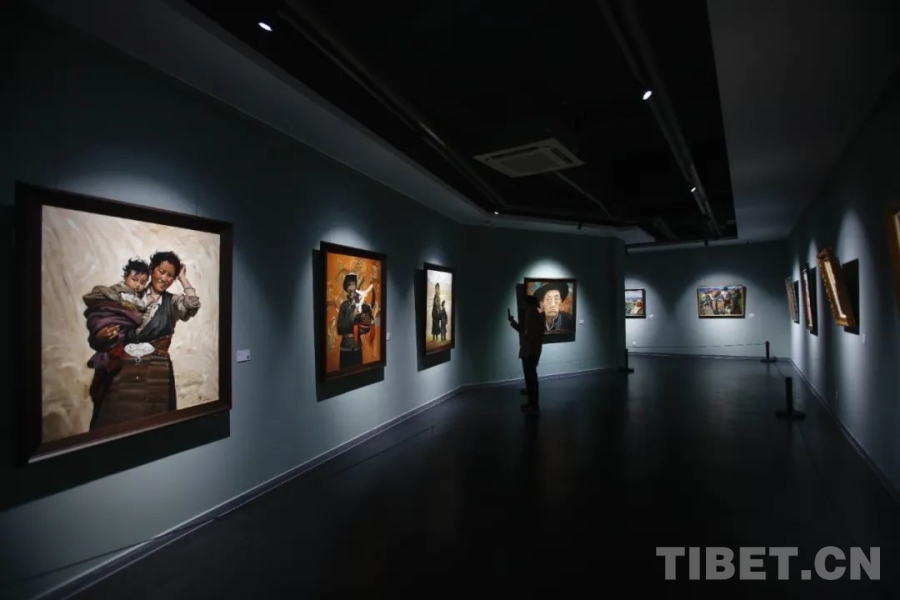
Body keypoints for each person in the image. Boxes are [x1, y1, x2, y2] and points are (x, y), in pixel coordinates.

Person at [84, 250, 200, 429]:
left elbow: (192, 305)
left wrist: (183, 278)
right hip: (121, 368)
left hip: (157, 372)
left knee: (154, 425)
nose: (164, 278)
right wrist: (101, 334)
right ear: (152, 270)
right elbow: (102, 318)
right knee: (114, 422)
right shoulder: (129, 292)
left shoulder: (173, 302)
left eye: (170, 275)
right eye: (161, 271)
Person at [508, 294, 544, 415]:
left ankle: (534, 406)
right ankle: (531, 404)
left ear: (531, 305)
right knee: (529, 379)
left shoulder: (536, 318)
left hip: (531, 353)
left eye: (526, 304)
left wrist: (530, 350)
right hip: (528, 352)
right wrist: (513, 322)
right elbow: (524, 331)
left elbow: (536, 338)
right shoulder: (530, 317)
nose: (524, 306)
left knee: (531, 379)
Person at [337, 272, 374, 369]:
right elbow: (340, 328)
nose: (352, 288)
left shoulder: (362, 305)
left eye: (354, 284)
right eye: (349, 285)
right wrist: (353, 315)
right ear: (346, 288)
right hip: (345, 348)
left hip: (358, 347)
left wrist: (364, 323)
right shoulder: (343, 306)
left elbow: (366, 328)